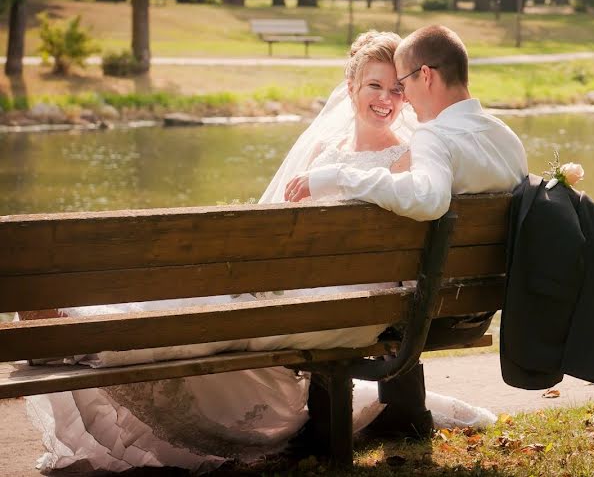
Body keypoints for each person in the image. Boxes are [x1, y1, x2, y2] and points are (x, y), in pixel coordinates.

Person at [23, 30, 494, 474]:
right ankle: (94, 327)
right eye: (375, 85)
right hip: (319, 300)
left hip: (335, 307)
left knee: (215, 311)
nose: (386, 99)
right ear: (350, 87)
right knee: (217, 306)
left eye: (396, 89)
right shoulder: (334, 153)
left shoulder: (398, 158)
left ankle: (91, 330)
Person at [284, 25, 528, 438]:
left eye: (403, 86)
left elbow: (428, 200)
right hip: (478, 301)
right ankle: (403, 411)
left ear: (425, 76)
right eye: (379, 86)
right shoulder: (505, 136)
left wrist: (338, 177)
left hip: (411, 304)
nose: (402, 99)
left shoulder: (432, 138)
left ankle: (334, 421)